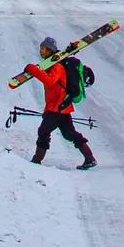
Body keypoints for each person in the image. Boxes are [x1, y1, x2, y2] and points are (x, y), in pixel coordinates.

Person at [21, 37, 96, 168]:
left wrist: (32, 69)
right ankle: (89, 158)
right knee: (69, 134)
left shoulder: (57, 66)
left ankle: (36, 161)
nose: (41, 51)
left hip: (57, 107)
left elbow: (49, 81)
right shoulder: (51, 65)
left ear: (50, 51)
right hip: (61, 107)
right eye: (41, 48)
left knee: (43, 131)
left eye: (44, 49)